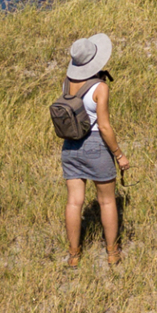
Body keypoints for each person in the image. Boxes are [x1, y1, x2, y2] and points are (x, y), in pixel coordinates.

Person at [61, 33, 128, 267]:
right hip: (96, 146)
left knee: (74, 202)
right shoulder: (100, 87)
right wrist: (119, 154)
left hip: (70, 146)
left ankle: (74, 255)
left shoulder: (67, 82)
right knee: (107, 202)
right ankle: (112, 252)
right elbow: (105, 126)